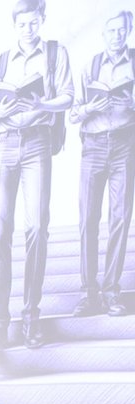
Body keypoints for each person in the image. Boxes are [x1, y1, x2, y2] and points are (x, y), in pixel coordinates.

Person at [0, 0, 72, 354]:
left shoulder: (55, 54)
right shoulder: (1, 61)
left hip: (36, 144)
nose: (28, 30)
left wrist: (42, 105)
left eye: (33, 23)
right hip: (4, 145)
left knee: (37, 227)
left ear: (41, 20)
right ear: (14, 25)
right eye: (22, 24)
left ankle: (31, 316)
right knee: (1, 233)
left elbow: (68, 97)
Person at [69, 10, 135, 318]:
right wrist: (88, 108)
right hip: (93, 146)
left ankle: (110, 292)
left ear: (129, 31)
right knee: (88, 220)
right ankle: (88, 293)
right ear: (103, 34)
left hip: (124, 145)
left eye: (122, 30)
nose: (116, 36)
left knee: (120, 219)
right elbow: (73, 114)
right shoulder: (90, 66)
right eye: (111, 31)